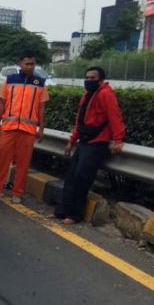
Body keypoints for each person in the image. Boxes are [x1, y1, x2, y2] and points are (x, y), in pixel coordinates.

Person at [54, 67, 125, 224]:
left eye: (93, 78)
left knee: (82, 179)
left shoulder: (106, 94)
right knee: (71, 176)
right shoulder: (87, 95)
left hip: (97, 143)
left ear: (100, 81)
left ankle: (74, 215)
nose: (89, 80)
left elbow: (115, 117)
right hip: (84, 141)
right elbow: (80, 121)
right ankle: (63, 210)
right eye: (87, 77)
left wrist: (118, 140)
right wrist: (71, 141)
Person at [0, 50, 49, 204]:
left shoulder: (40, 83)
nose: (30, 67)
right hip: (8, 127)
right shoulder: (9, 80)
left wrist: (41, 129)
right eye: (27, 64)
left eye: (32, 64)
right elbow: (1, 104)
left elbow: (42, 108)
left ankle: (17, 193)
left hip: (28, 131)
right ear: (20, 63)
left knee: (23, 164)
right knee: (1, 162)